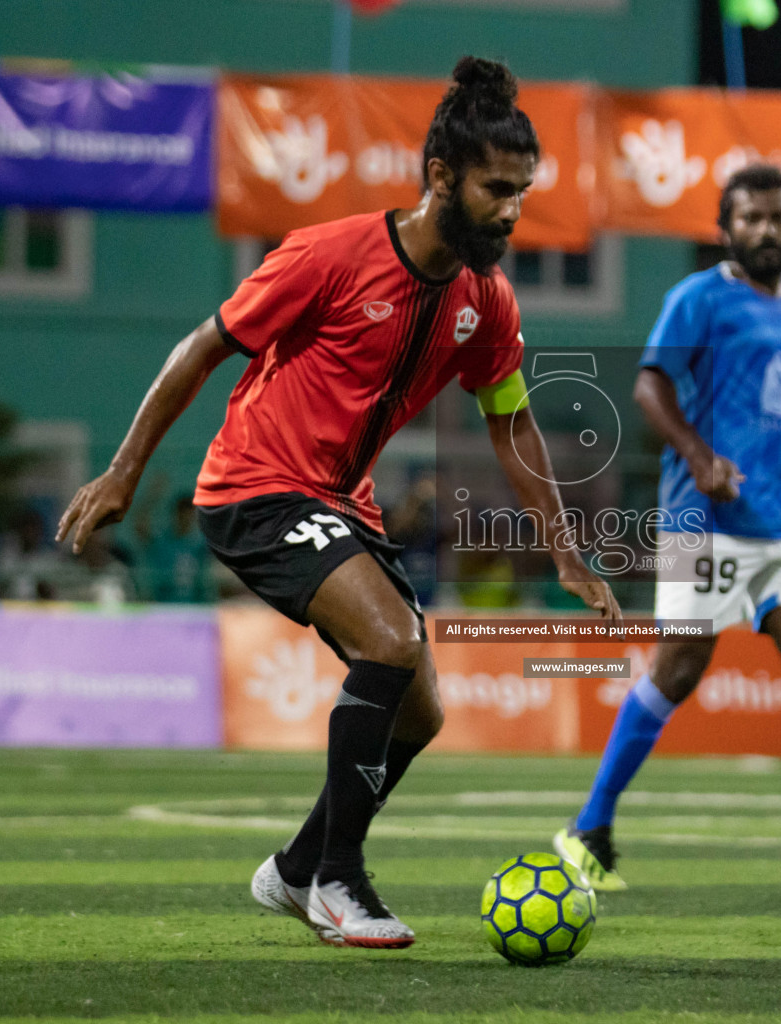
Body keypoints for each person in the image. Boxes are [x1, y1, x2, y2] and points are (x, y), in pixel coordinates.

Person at [57, 56, 618, 950]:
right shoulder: (329, 254)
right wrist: (125, 471)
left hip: (337, 502)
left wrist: (562, 549)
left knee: (421, 712)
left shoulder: (486, 300)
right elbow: (202, 349)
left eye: (523, 191)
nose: (514, 211)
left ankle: (293, 866)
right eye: (497, 189)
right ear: (441, 177)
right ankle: (336, 881)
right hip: (254, 486)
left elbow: (512, 425)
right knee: (391, 642)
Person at [554, 164, 781, 897]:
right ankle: (588, 828)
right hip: (701, 514)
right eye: (750, 218)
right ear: (725, 229)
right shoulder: (698, 299)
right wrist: (699, 455)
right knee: (678, 669)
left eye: (779, 217)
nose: (766, 230)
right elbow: (649, 385)